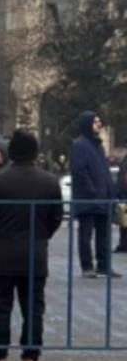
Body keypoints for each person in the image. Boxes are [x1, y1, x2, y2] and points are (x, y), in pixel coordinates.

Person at [0, 130, 61, 361]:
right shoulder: (49, 182)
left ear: (11, 152)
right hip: (35, 251)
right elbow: (55, 217)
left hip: (2, 251)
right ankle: (31, 358)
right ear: (35, 152)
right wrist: (42, 236)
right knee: (33, 307)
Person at [69, 111, 117, 279]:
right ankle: (87, 266)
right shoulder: (80, 145)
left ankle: (103, 266)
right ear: (87, 124)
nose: (99, 124)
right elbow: (79, 171)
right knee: (86, 234)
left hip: (103, 199)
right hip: (88, 200)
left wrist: (110, 192)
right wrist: (92, 190)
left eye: (99, 121)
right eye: (96, 122)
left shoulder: (98, 146)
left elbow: (104, 172)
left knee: (104, 235)